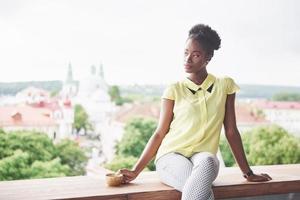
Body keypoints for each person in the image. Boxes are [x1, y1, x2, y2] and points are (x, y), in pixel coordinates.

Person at [119, 24, 272, 200]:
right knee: (200, 193)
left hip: (204, 159)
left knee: (207, 161)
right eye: (185, 52)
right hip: (171, 157)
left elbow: (231, 131)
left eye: (196, 55)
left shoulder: (225, 86)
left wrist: (248, 173)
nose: (188, 59)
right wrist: (135, 170)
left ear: (208, 58)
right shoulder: (174, 89)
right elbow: (160, 133)